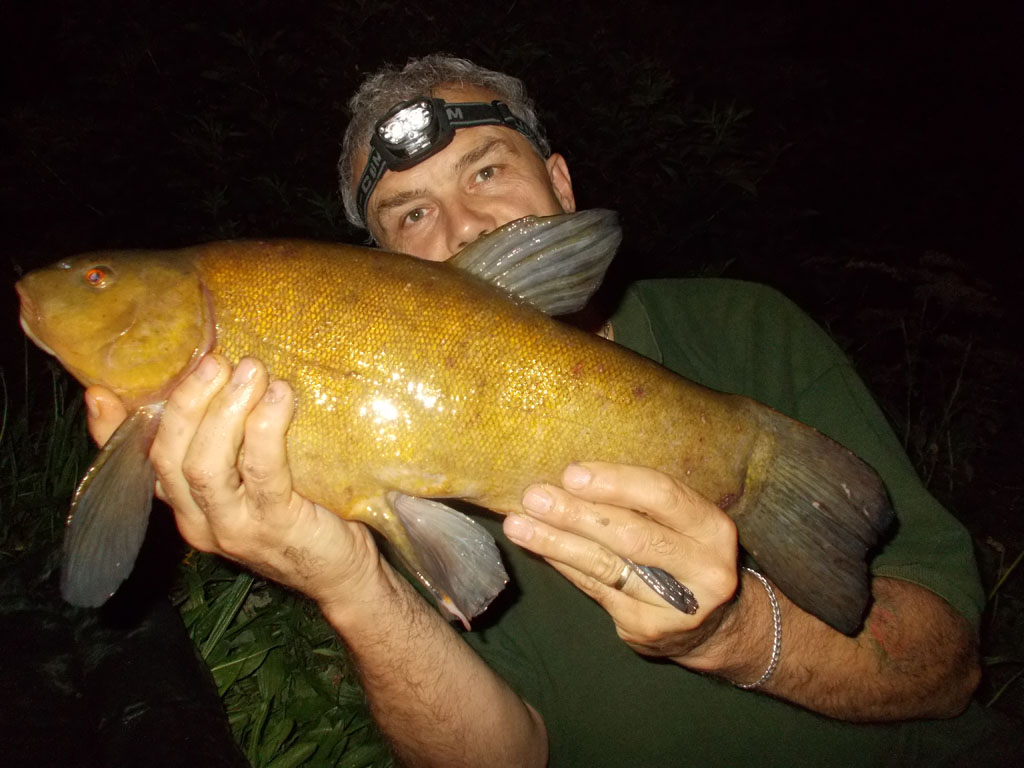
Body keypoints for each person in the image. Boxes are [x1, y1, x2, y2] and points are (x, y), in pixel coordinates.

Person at [86, 55, 1003, 766]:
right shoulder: (358, 447)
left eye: (487, 171)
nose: (463, 228)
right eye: (410, 215)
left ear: (562, 185)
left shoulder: (742, 328)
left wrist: (733, 633)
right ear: (379, 273)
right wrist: (347, 583)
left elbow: (948, 666)